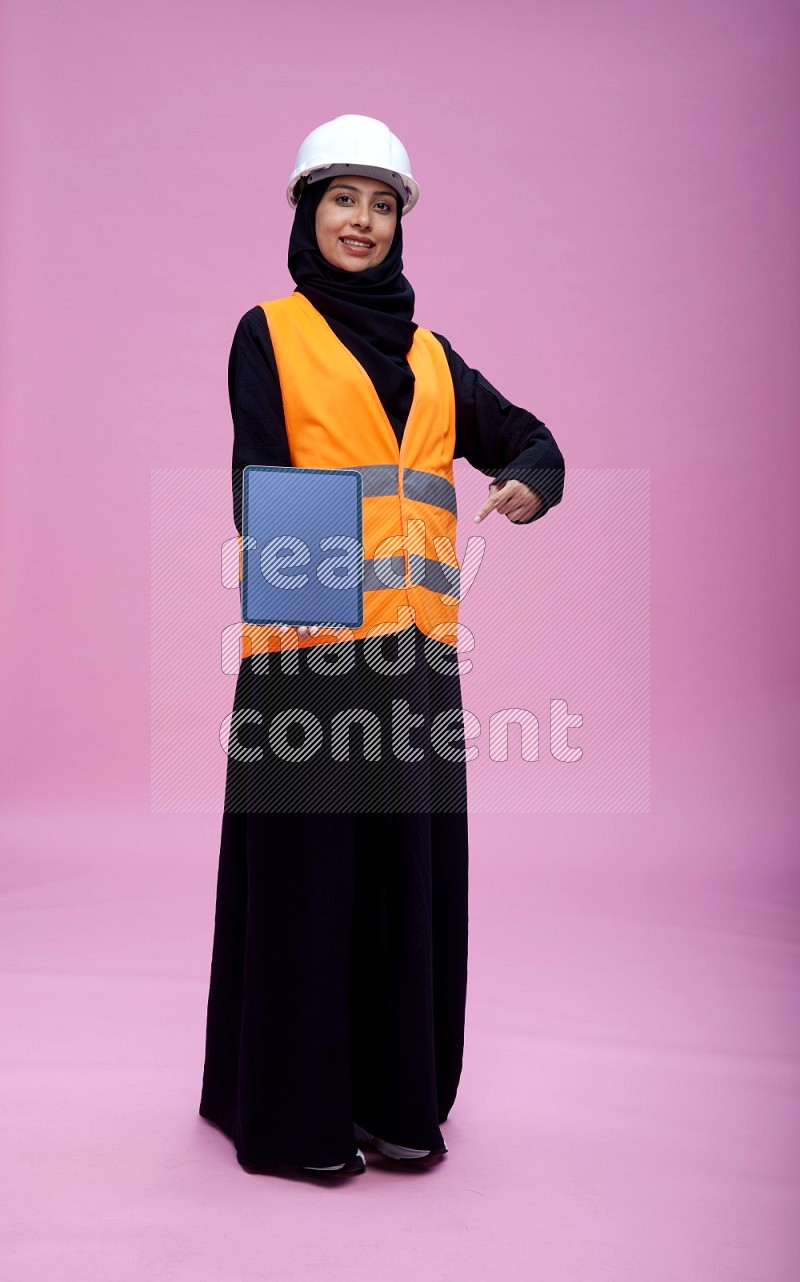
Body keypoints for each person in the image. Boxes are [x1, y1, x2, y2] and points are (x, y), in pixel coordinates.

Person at [199, 114, 565, 1178]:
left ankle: (398, 1102)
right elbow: (258, 477)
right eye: (341, 199)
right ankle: (295, 1117)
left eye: (381, 203)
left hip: (416, 663)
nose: (361, 221)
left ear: (401, 223)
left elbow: (528, 439)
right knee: (311, 886)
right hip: (308, 656)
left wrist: (528, 482)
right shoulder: (268, 330)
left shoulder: (434, 356)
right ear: (307, 212)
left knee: (406, 882)